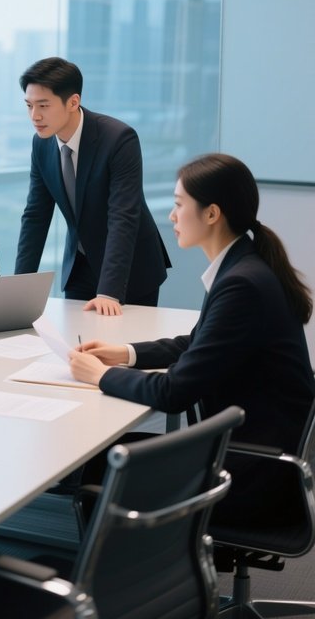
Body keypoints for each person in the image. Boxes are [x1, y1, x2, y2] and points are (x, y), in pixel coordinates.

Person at [69, 153, 315, 525]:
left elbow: (174, 392)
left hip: (249, 473)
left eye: (179, 205)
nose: (171, 216)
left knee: (104, 464)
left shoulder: (241, 283)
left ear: (212, 213)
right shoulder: (244, 264)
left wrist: (99, 376)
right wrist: (126, 353)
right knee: (108, 456)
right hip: (254, 449)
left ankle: (127, 578)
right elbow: (199, 341)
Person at [14, 56, 170, 315]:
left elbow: (123, 216)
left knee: (127, 349)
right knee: (75, 346)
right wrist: (17, 288)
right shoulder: (41, 144)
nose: (34, 116)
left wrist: (109, 291)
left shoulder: (119, 139)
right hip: (80, 265)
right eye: (29, 105)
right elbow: (35, 216)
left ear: (73, 102)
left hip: (129, 269)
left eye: (43, 105)